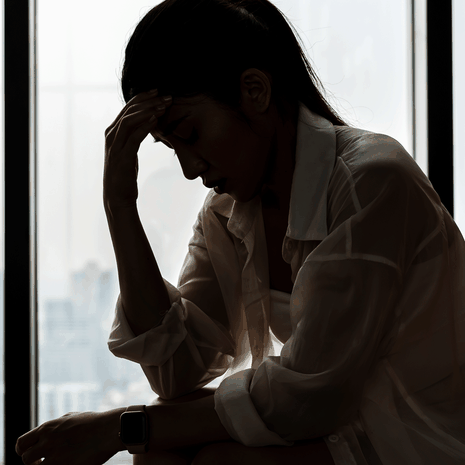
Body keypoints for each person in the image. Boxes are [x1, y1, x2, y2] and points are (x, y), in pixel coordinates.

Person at [15, 0, 465, 464]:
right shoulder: (229, 212)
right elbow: (177, 371)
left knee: (201, 456)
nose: (189, 169)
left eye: (189, 133)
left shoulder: (371, 181)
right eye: (170, 148)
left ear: (255, 91)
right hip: (337, 423)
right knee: (158, 451)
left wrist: (121, 427)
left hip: (417, 434)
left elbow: (310, 393)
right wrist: (119, 204)